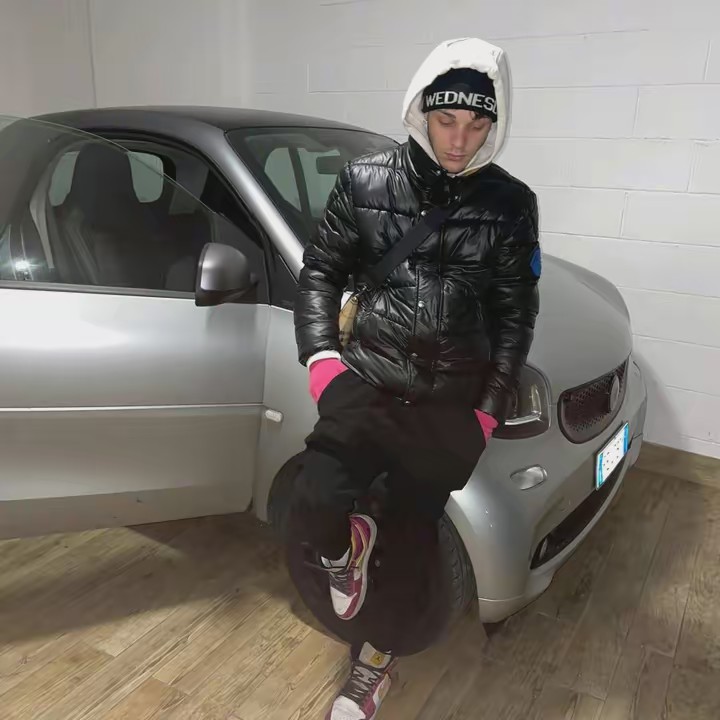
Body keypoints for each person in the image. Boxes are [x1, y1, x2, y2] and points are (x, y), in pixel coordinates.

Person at [291, 36, 541, 719]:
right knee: (314, 503)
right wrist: (322, 361)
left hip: (448, 407)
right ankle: (345, 549)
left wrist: (485, 412)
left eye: (476, 124)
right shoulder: (365, 180)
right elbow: (320, 272)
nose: (459, 141)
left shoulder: (511, 204)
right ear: (420, 112)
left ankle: (374, 666)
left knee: (408, 550)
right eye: (446, 120)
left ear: (494, 125)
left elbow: (515, 318)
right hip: (366, 382)